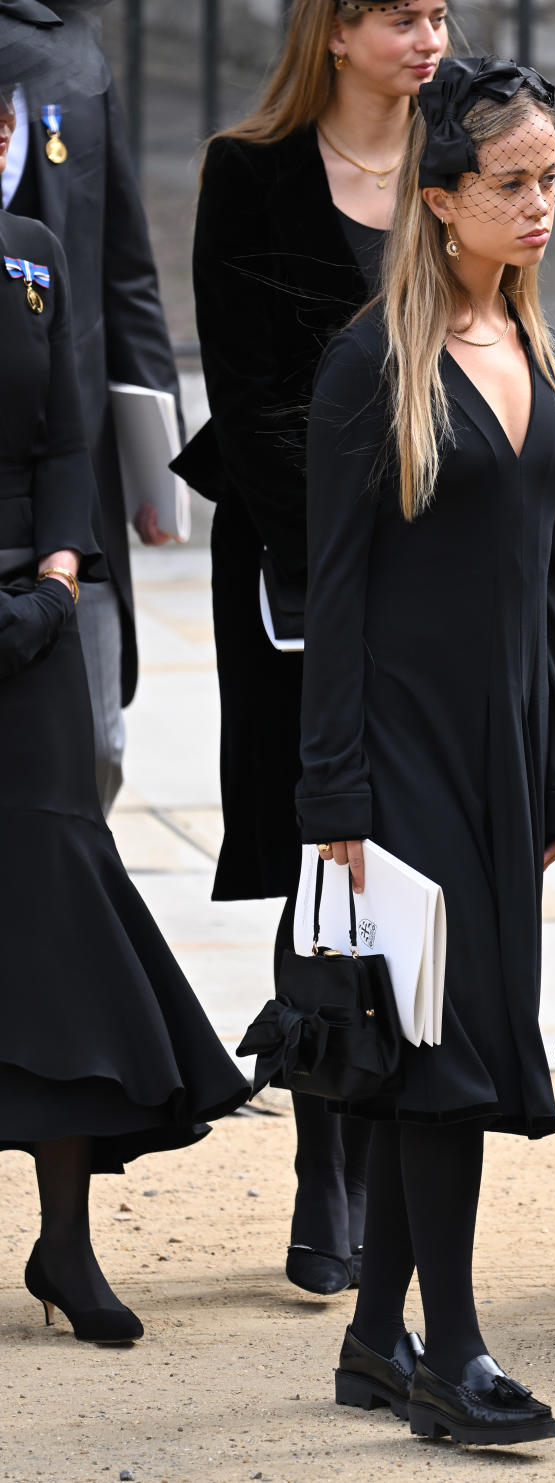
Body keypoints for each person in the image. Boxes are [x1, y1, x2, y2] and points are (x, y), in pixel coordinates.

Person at [296, 55, 555, 1444]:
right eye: (511, 183)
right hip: (403, 760)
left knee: (450, 1048)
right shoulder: (373, 363)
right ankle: (451, 1352)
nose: (540, 205)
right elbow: (335, 598)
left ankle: (373, 1338)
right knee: (444, 1055)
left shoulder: (538, 347)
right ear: (439, 199)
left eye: (549, 178)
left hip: (508, 756)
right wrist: (336, 792)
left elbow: (553, 582)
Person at [174, 0, 449, 1299]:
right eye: (403, 14)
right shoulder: (250, 173)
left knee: (411, 843)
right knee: (318, 843)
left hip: (438, 561)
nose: (429, 36)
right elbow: (248, 388)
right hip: (295, 564)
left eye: (444, 12)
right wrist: (346, 560)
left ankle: (394, 1136)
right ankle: (323, 1151)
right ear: (334, 31)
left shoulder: (462, 154)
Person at [0, 9, 249, 1346]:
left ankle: (64, 1235)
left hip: (45, 566)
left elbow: (108, 317)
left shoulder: (69, 60)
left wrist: (72, 548)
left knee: (59, 871)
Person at [0, 0, 183, 816]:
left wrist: (156, 460)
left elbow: (125, 268)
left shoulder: (75, 51)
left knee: (98, 742)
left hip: (72, 463)